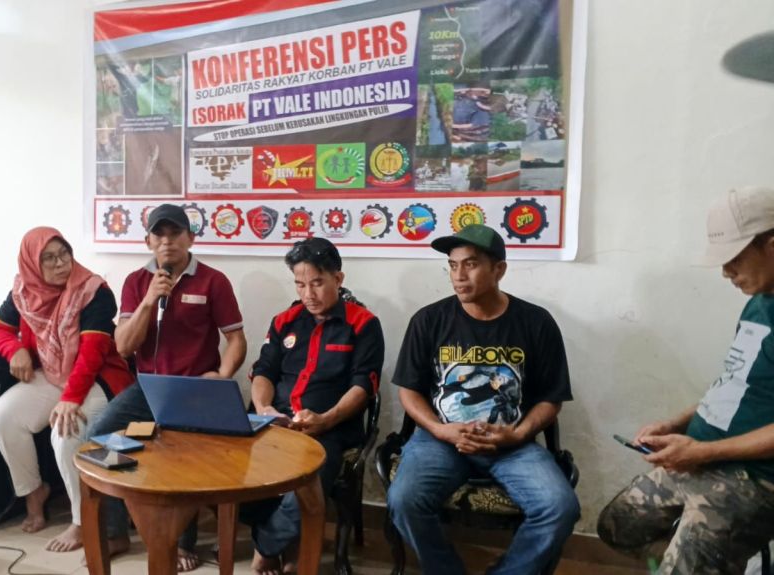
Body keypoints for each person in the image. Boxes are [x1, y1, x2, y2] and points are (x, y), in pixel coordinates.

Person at [597, 186, 774, 574]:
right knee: (617, 526)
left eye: (734, 259)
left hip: (757, 478)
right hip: (702, 455)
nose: (726, 272)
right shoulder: (759, 302)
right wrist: (674, 424)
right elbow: (736, 384)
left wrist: (704, 453)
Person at [387, 223, 579, 575]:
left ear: (499, 269)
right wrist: (439, 430)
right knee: (404, 500)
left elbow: (552, 398)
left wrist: (517, 434)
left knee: (560, 508)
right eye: (452, 265)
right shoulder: (429, 320)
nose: (459, 276)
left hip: (511, 444)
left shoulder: (536, 322)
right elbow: (409, 390)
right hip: (440, 440)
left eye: (471, 264)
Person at [88, 204, 247, 571]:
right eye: (158, 235)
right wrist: (149, 301)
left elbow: (236, 340)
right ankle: (119, 528)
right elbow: (124, 346)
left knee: (181, 452)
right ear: (148, 241)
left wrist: (222, 375)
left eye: (175, 233)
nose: (167, 241)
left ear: (190, 238)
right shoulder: (136, 282)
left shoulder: (213, 280)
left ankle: (179, 540)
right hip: (149, 388)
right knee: (97, 439)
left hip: (196, 388)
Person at [242, 237, 384, 575]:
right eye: (300, 284)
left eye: (317, 283)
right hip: (275, 423)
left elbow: (363, 387)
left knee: (307, 487)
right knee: (229, 470)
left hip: (329, 430)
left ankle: (267, 546)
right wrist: (263, 408)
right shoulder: (284, 321)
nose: (309, 294)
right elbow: (263, 372)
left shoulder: (363, 324)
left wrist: (326, 419)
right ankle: (288, 544)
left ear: (338, 278)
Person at [0, 226, 133, 553]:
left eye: (64, 254)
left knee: (66, 431)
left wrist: (71, 399)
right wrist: (15, 349)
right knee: (4, 415)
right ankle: (33, 491)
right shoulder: (23, 292)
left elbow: (92, 353)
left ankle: (82, 521)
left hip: (99, 377)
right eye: (49, 258)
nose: (60, 264)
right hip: (54, 374)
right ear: (31, 264)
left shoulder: (92, 290)